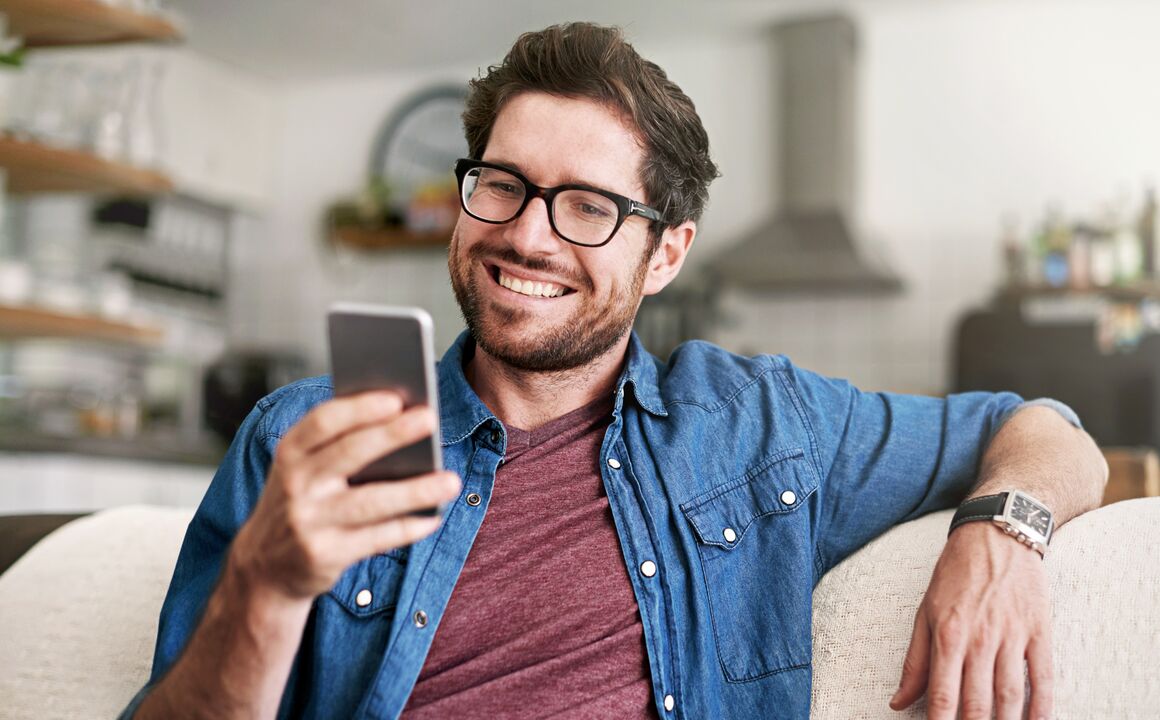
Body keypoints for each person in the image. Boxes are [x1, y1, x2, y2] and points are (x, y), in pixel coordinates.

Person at [123, 22, 1106, 720]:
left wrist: (1002, 533)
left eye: (586, 206)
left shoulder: (763, 423)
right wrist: (263, 584)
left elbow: (1047, 433)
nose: (525, 235)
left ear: (665, 254)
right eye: (499, 185)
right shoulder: (303, 438)